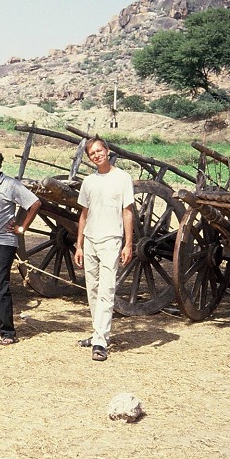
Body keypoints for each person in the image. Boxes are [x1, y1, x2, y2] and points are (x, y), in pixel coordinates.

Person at [74, 136, 134, 362]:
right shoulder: (89, 182)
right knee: (92, 290)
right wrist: (79, 245)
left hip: (111, 241)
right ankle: (97, 332)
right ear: (89, 158)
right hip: (90, 240)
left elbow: (127, 212)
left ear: (107, 151)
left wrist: (128, 243)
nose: (97, 155)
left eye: (99, 151)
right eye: (92, 154)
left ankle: (100, 341)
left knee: (107, 291)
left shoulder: (122, 178)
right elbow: (84, 214)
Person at [0, 147, 41, 345]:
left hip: (3, 243)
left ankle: (8, 332)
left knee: (0, 286)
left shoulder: (11, 185)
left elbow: (35, 203)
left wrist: (22, 228)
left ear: (0, 164)